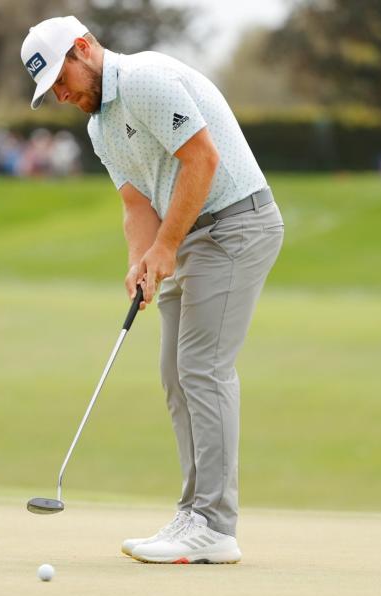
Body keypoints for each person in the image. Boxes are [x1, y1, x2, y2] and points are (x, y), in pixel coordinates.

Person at [21, 16, 285, 564]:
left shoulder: (142, 79)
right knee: (175, 372)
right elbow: (136, 203)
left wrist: (164, 248)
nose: (63, 95)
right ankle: (194, 513)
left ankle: (215, 524)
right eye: (51, 92)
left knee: (202, 368)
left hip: (236, 224)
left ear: (84, 47)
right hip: (190, 234)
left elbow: (202, 159)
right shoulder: (99, 127)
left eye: (62, 79)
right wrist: (142, 261)